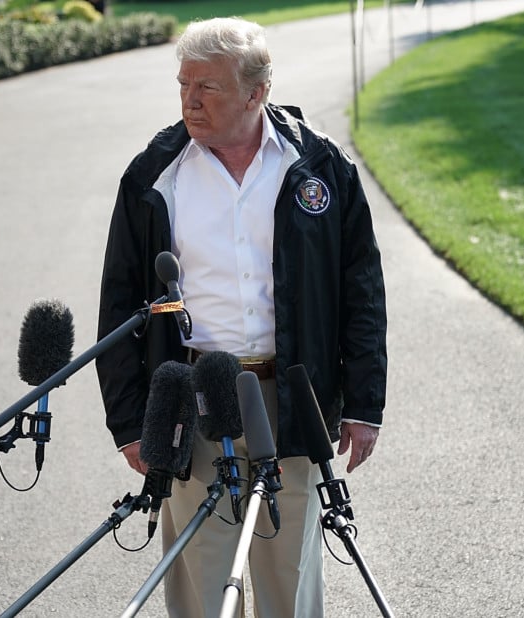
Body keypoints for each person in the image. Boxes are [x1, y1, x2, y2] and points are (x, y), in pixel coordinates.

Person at [95, 17, 387, 618]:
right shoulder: (154, 175)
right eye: (183, 85)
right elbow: (119, 303)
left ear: (257, 92)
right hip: (193, 398)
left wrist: (364, 404)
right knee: (202, 584)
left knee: (288, 580)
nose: (190, 101)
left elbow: (360, 290)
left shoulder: (321, 166)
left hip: (295, 399)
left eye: (208, 87)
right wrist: (128, 420)